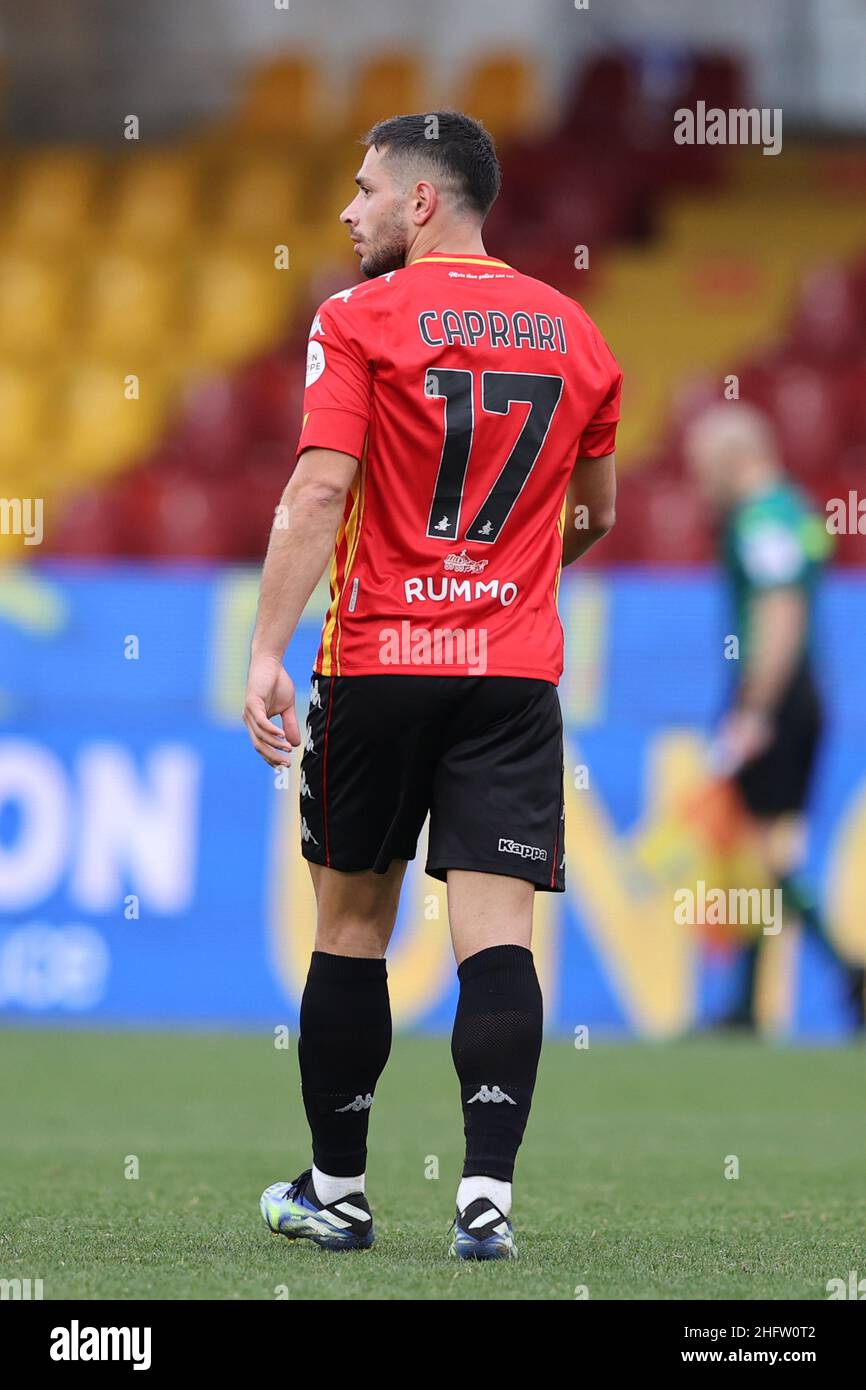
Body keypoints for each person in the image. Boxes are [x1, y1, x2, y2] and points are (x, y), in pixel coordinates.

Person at [243, 111, 620, 1259]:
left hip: (377, 660)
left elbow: (317, 493)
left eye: (362, 189)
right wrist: (498, 585)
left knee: (353, 927)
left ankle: (338, 1192)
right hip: (507, 673)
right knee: (495, 936)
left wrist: (263, 645)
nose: (347, 210)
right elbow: (596, 516)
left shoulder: (358, 317)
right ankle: (485, 1201)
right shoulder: (575, 332)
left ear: (420, 202)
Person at [685, 401, 865, 1032]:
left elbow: (780, 612)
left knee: (767, 853)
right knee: (764, 850)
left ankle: (849, 973)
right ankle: (747, 1003)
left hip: (775, 697)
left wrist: (754, 710)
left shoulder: (762, 517)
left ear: (733, 458)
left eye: (704, 467)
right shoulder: (796, 511)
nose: (699, 482)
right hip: (800, 693)